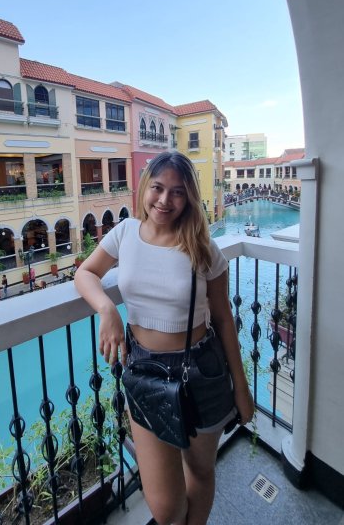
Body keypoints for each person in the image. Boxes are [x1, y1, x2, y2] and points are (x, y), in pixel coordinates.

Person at [75, 151, 254, 525]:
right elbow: (86, 273)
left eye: (177, 192)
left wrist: (241, 388)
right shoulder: (125, 234)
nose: (164, 200)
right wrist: (107, 309)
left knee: (200, 471)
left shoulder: (202, 248)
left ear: (188, 197)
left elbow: (224, 319)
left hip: (201, 370)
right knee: (166, 507)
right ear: (144, 188)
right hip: (145, 371)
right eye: (158, 188)